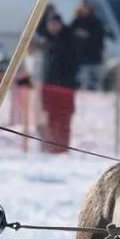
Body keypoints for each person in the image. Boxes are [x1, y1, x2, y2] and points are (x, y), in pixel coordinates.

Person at [35, 10, 81, 153]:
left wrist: (64, 79)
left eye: (56, 24)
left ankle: (62, 147)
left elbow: (73, 63)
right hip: (49, 86)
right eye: (51, 24)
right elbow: (36, 27)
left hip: (65, 87)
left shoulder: (68, 39)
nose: (53, 26)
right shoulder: (47, 39)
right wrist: (45, 9)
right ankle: (52, 145)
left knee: (63, 119)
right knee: (50, 118)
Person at [68, 0, 106, 90]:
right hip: (79, 56)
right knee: (82, 81)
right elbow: (69, 34)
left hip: (93, 56)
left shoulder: (96, 22)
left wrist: (88, 36)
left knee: (93, 82)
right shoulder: (76, 21)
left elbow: (99, 37)